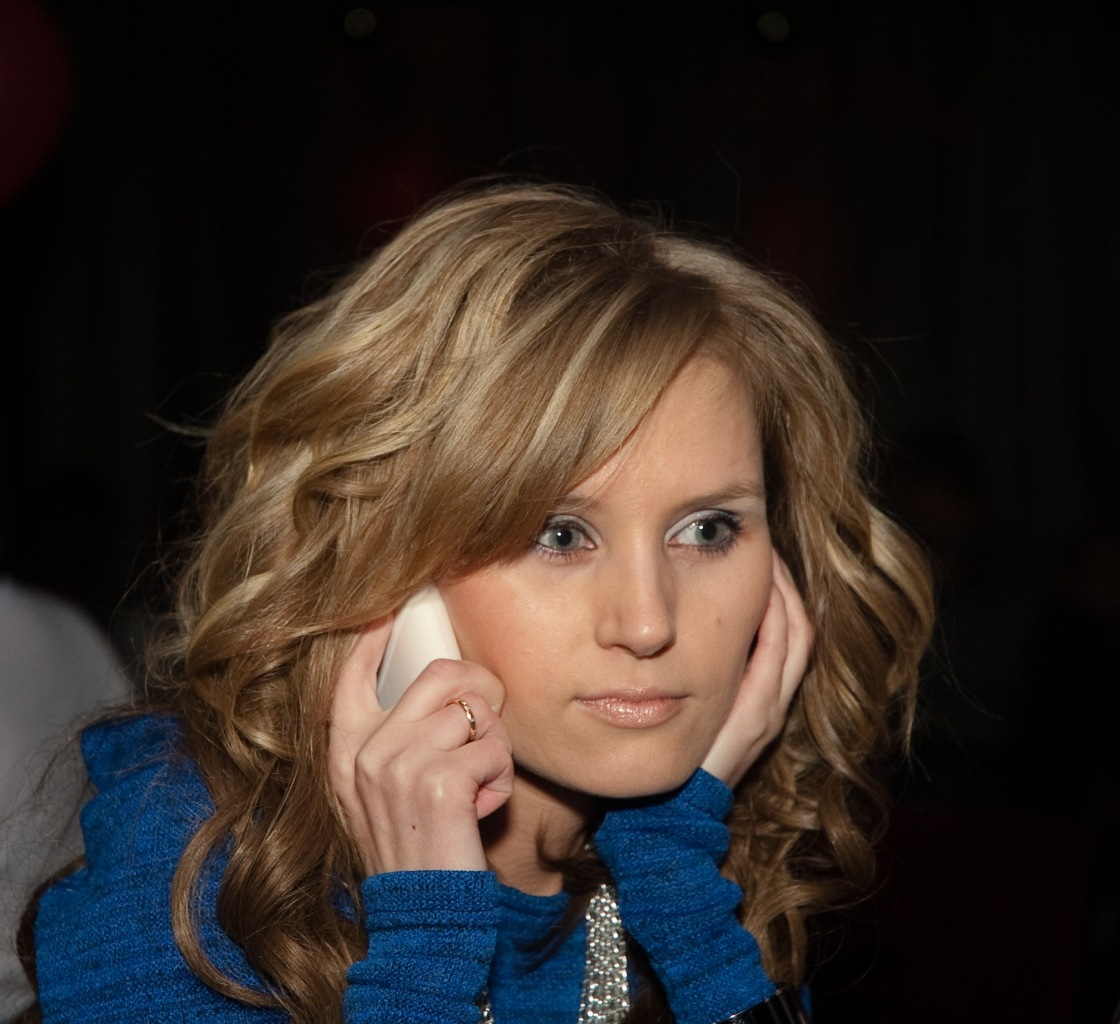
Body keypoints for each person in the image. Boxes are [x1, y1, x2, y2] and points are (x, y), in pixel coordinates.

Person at [17, 181, 933, 1024]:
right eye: (559, 535)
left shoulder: (707, 870)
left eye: (707, 529)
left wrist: (680, 892)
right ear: (389, 564)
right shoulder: (191, 879)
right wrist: (425, 943)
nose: (650, 624)